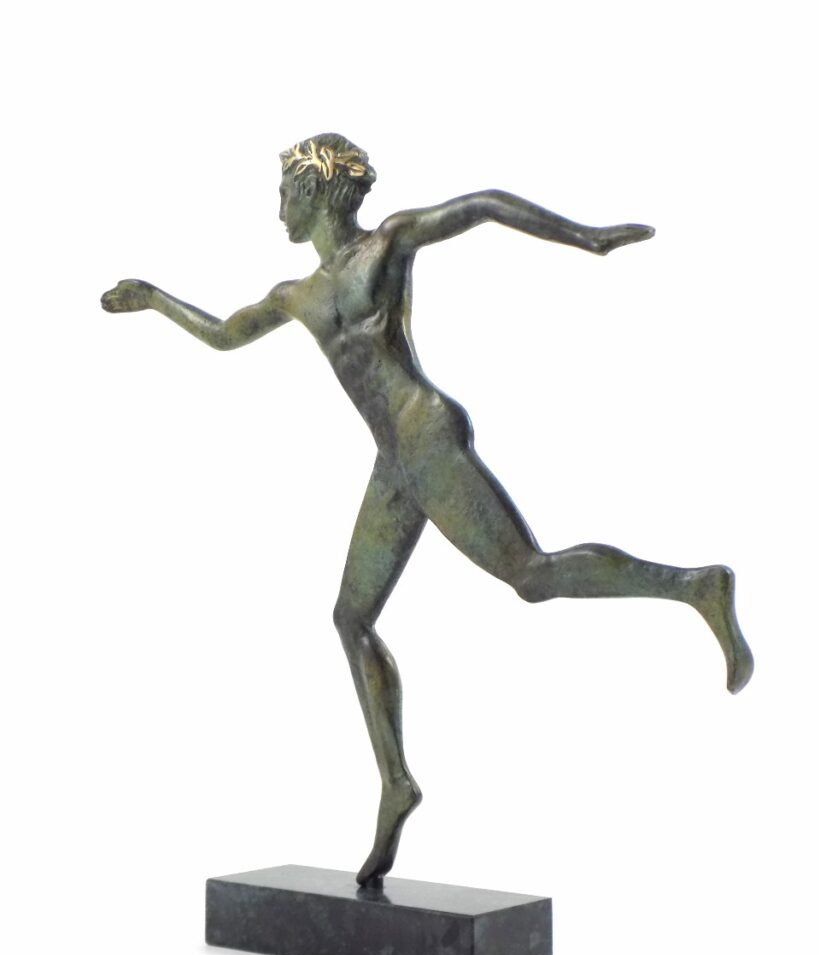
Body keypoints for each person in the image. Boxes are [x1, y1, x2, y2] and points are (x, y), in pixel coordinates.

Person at [101, 132, 753, 887]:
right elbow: (223, 334)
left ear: (315, 191)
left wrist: (586, 237)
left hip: (427, 438)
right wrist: (154, 300)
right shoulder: (294, 295)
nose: (277, 207)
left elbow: (481, 206)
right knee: (350, 618)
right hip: (395, 464)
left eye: (285, 192)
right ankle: (396, 782)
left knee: (532, 575)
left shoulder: (388, 243)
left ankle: (696, 586)